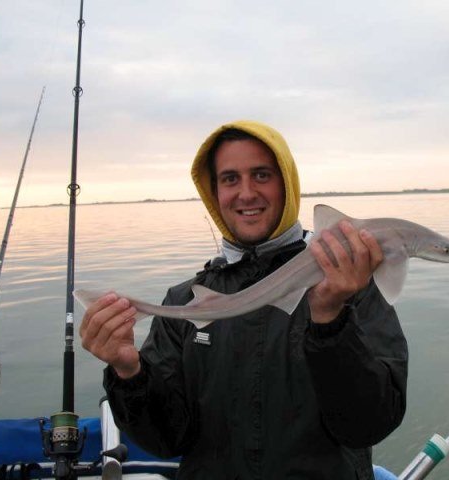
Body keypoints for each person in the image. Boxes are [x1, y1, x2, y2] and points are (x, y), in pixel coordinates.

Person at [80, 120, 408, 480]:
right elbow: (166, 439)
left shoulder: (350, 286)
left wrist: (331, 322)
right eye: (230, 179)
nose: (246, 193)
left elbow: (369, 425)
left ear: (287, 185)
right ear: (213, 191)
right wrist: (130, 373)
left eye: (262, 175)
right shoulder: (186, 300)